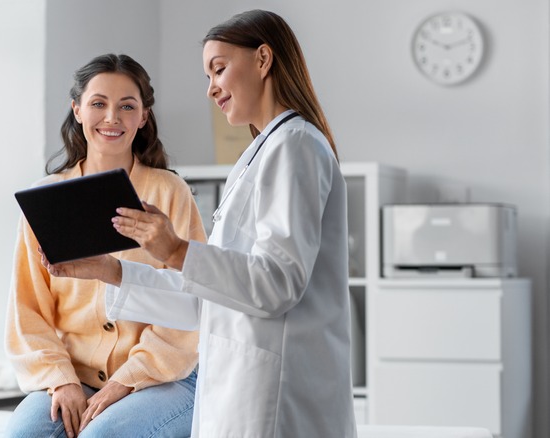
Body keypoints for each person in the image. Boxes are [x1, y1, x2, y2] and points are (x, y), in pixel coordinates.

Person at [42, 10, 357, 438]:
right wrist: (108, 271)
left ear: (263, 60)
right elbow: (207, 302)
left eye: (219, 69)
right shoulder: (260, 155)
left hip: (277, 398)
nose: (211, 89)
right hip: (240, 387)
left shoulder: (296, 146)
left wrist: (175, 250)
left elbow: (277, 284)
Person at [5, 53, 206, 438]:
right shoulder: (44, 200)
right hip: (73, 375)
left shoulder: (169, 193)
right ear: (77, 109)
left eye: (126, 106)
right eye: (98, 103)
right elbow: (27, 311)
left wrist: (124, 381)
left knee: (102, 435)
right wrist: (61, 380)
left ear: (143, 116)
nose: (111, 117)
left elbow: (190, 304)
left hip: (165, 376)